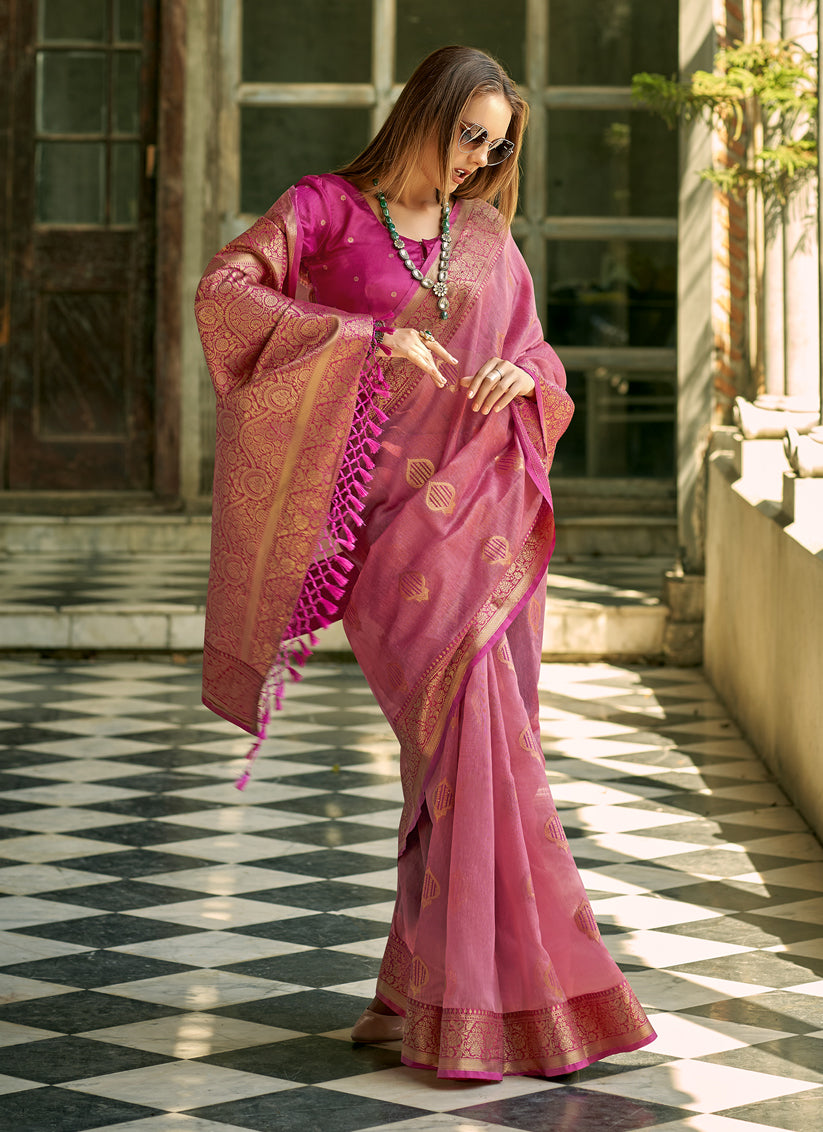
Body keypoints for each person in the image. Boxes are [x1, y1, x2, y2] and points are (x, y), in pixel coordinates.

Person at [196, 44, 656, 1081]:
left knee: (464, 760)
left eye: (495, 146)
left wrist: (515, 372)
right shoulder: (320, 210)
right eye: (468, 134)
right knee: (462, 753)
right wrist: (362, 339)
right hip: (380, 533)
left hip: (480, 518)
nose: (478, 159)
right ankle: (499, 997)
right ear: (424, 112)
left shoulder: (486, 236)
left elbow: (540, 358)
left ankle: (437, 994)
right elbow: (224, 294)